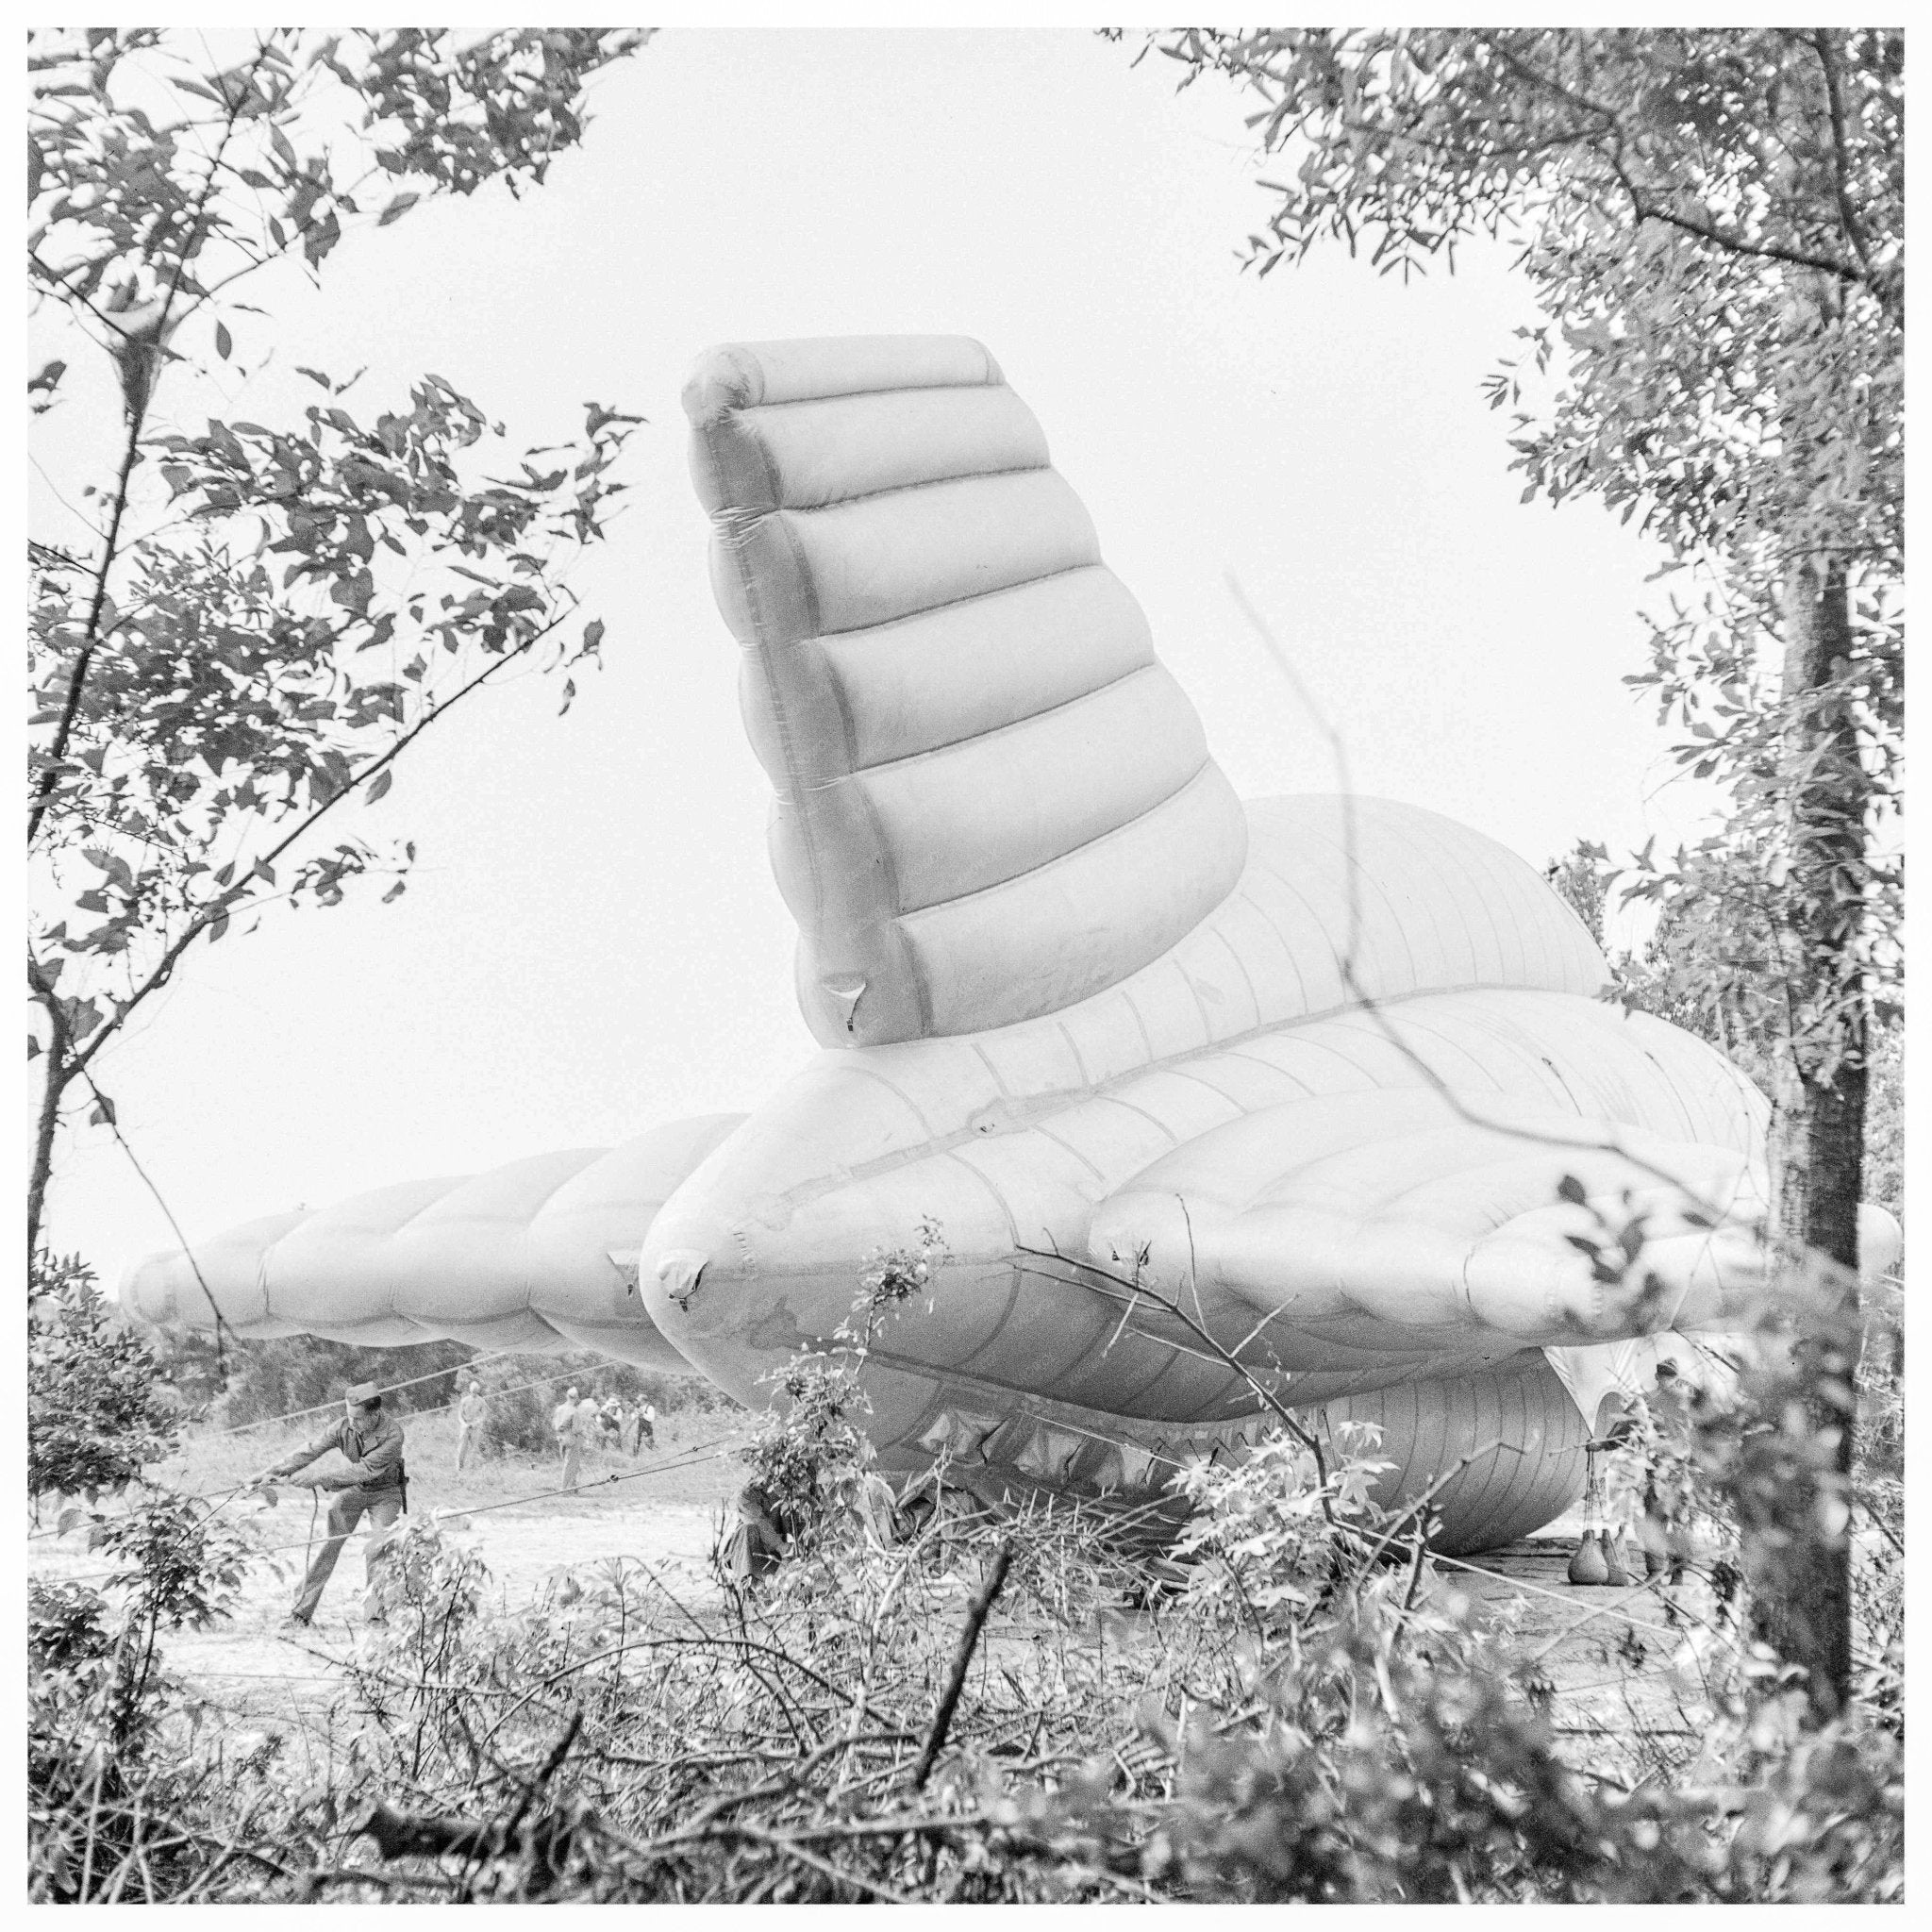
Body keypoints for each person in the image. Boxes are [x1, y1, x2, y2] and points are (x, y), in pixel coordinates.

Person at [259, 1380, 407, 1627]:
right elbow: (309, 1451)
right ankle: (300, 1613)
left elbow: (364, 1470)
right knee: (329, 1546)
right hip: (356, 1490)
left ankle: (375, 1618)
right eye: (349, 1417)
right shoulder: (342, 1427)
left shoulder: (393, 1434)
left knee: (377, 1550)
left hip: (386, 1492)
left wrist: (318, 1478)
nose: (352, 1424)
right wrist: (268, 1473)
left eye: (358, 1419)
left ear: (375, 1414)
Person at [553, 1385, 583, 1488]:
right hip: (571, 1439)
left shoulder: (559, 1409)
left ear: (567, 1396)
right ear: (576, 1398)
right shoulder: (574, 1411)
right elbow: (576, 1429)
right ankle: (565, 1488)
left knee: (568, 1463)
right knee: (571, 1464)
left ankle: (572, 1486)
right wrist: (583, 1431)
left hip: (561, 1438)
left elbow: (555, 1425)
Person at [455, 1379, 487, 1472]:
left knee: (474, 1448)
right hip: (465, 1427)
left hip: (475, 1427)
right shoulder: (464, 1400)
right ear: (470, 1390)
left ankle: (473, 1467)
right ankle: (459, 1468)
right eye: (473, 1391)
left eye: (476, 1391)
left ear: (478, 1391)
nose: (474, 1392)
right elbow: (460, 1415)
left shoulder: (481, 1401)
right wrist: (464, 1424)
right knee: (462, 1448)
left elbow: (484, 1415)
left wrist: (476, 1423)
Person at [574, 1388, 604, 1480]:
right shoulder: (595, 1407)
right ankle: (593, 1475)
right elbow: (594, 1421)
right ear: (598, 1398)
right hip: (588, 1430)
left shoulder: (585, 1402)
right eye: (602, 1397)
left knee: (580, 1451)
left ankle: (579, 1472)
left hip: (579, 1429)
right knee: (591, 1451)